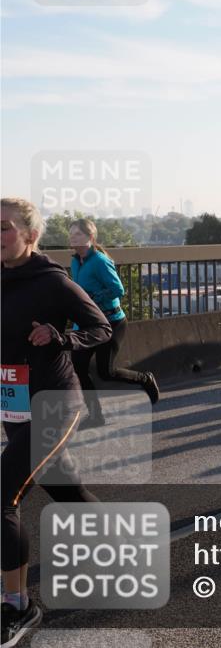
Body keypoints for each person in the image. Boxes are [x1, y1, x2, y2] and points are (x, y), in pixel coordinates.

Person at [2, 198, 113, 646]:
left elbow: (101, 327)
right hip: (14, 406)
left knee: (3, 495)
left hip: (54, 403)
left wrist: (61, 336)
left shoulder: (52, 282)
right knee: (64, 488)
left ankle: (17, 607)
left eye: (5, 227)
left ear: (30, 235)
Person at [67, 219, 159, 428]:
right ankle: (96, 416)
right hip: (86, 325)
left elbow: (118, 290)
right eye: (71, 234)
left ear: (90, 238)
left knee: (105, 372)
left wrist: (92, 298)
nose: (73, 238)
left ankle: (145, 379)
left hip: (111, 322)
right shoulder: (75, 261)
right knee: (78, 368)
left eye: (78, 234)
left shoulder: (99, 261)